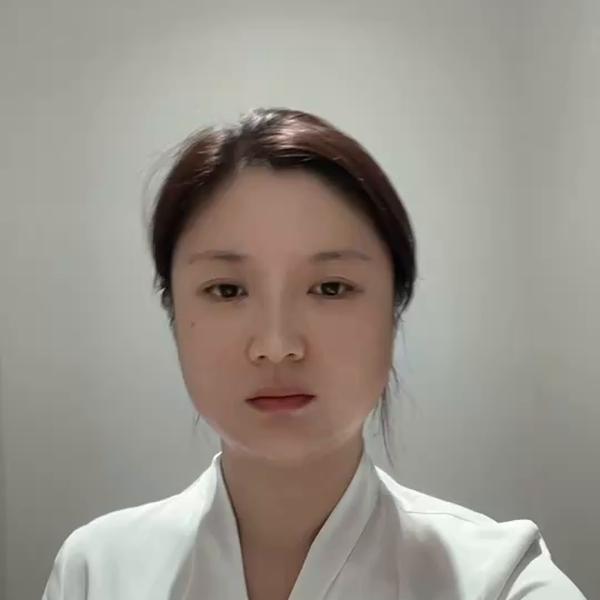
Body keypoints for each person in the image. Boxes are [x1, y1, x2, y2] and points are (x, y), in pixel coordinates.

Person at [42, 107, 587, 599]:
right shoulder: (97, 573)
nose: (276, 346)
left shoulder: (498, 581)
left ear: (394, 308)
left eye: (330, 288)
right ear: (172, 309)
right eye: (227, 290)